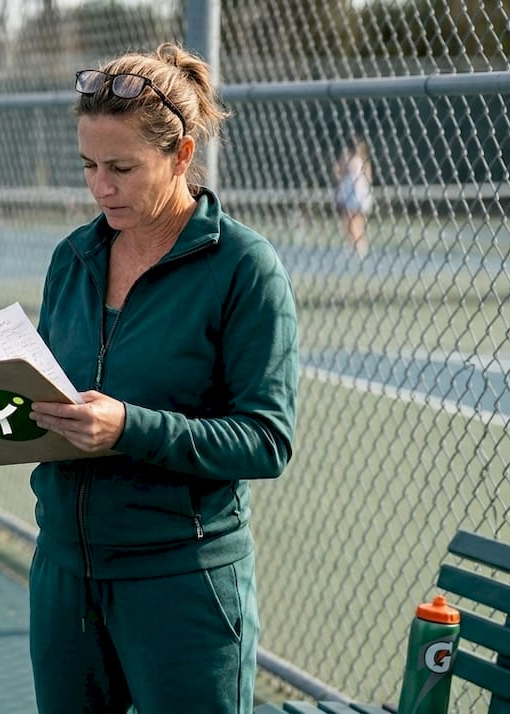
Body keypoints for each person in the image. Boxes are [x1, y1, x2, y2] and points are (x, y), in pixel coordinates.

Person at [25, 42, 299, 714]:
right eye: (89, 165)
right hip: (63, 573)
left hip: (181, 583)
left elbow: (266, 440)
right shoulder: (75, 256)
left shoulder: (243, 267)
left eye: (121, 167)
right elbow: (53, 383)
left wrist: (127, 426)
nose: (100, 186)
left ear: (179, 156)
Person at [334, 135, 374, 258]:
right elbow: (339, 172)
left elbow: (368, 177)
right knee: (349, 220)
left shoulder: (361, 160)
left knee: (356, 221)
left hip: (357, 194)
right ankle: (353, 244)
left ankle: (360, 245)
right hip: (349, 193)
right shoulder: (349, 158)